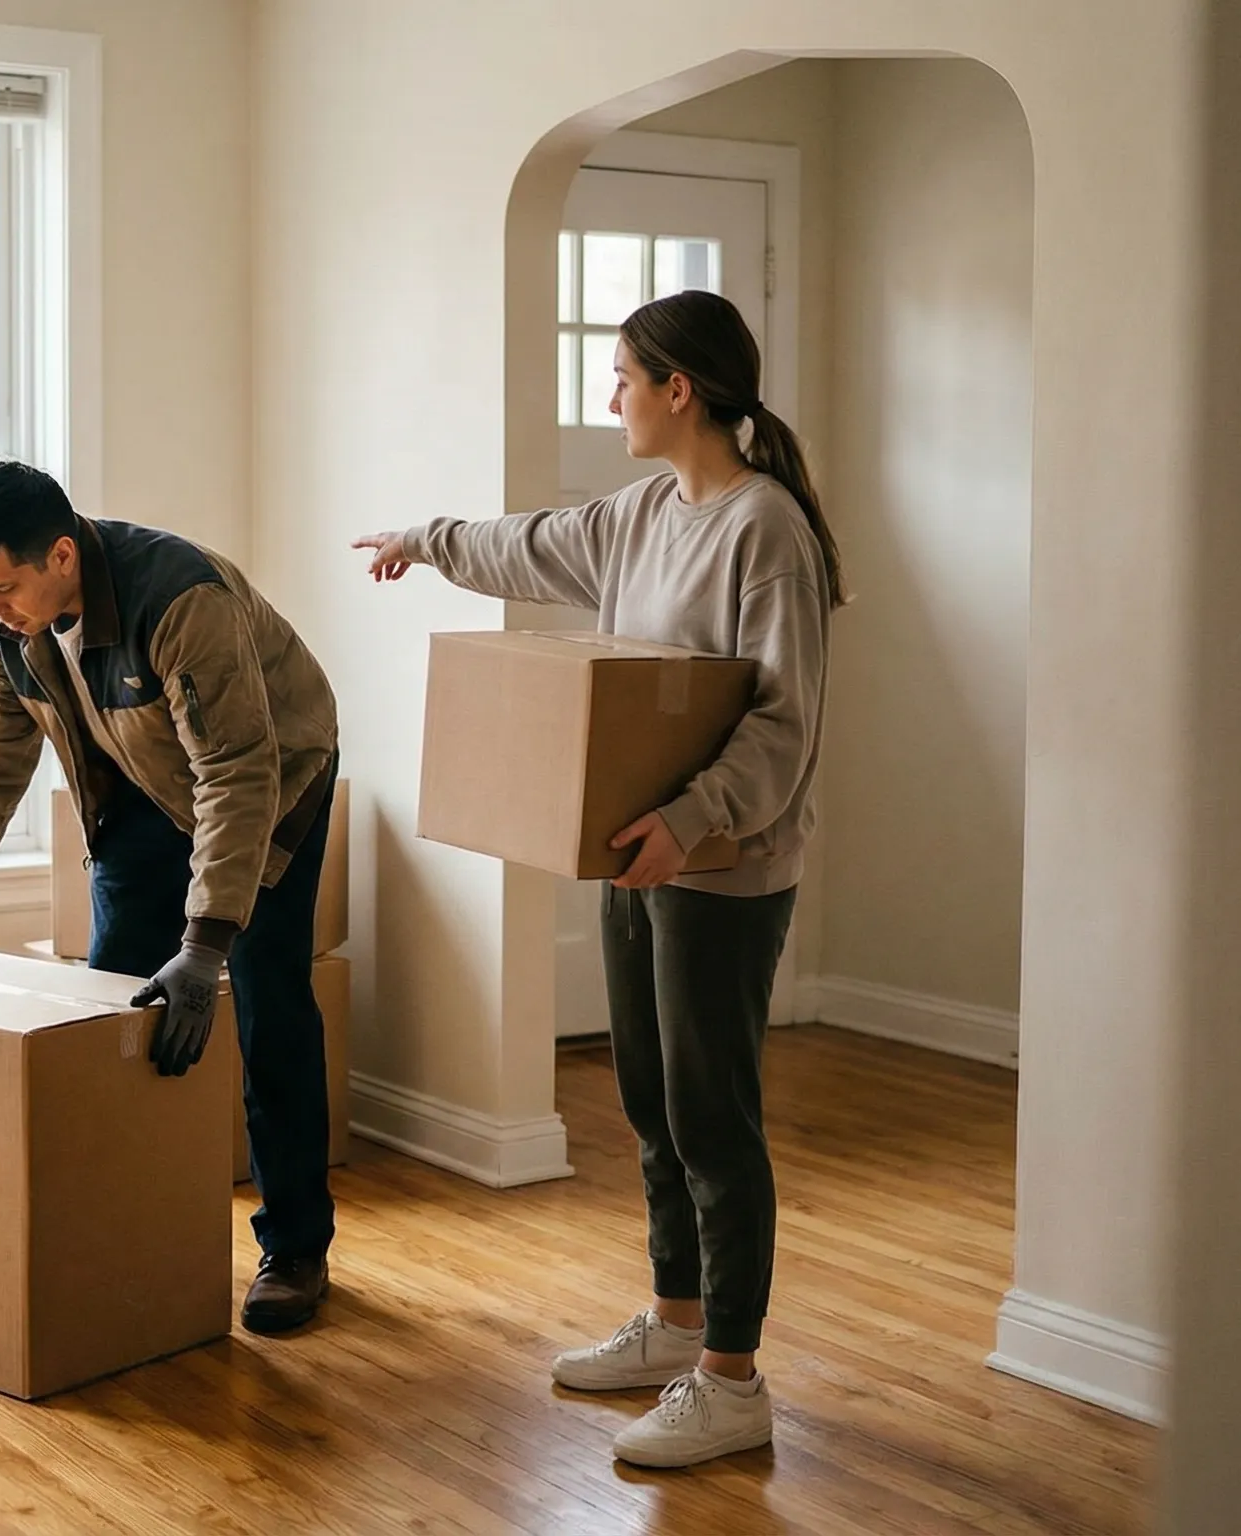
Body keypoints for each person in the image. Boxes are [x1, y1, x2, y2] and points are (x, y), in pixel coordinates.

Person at [353, 290, 840, 1469]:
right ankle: (675, 1327)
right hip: (634, 857)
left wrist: (690, 819)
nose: (607, 395)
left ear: (681, 390)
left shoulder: (763, 529)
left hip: (721, 868)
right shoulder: (644, 512)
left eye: (622, 376)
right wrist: (426, 538)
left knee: (714, 1117)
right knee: (647, 1103)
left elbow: (783, 723)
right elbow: (529, 543)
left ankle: (733, 1376)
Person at [0, 461, 345, 1334]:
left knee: (267, 997)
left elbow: (235, 773)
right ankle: (134, 1234)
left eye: (5, 586)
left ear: (60, 555)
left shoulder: (179, 598)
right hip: (137, 786)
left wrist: (206, 947)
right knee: (113, 1008)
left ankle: (296, 1247)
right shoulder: (5, 621)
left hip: (273, 780)